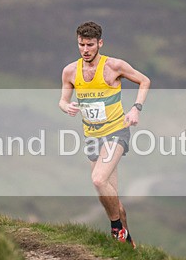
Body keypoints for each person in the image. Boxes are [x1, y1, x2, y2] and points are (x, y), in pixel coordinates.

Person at [59, 21, 150, 247]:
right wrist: (66, 106)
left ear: (100, 43)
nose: (85, 50)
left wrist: (136, 109)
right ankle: (128, 245)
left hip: (116, 131)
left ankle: (116, 229)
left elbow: (144, 81)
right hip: (92, 136)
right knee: (111, 198)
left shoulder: (113, 66)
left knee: (98, 180)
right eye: (81, 44)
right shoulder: (70, 71)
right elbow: (62, 100)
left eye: (90, 45)